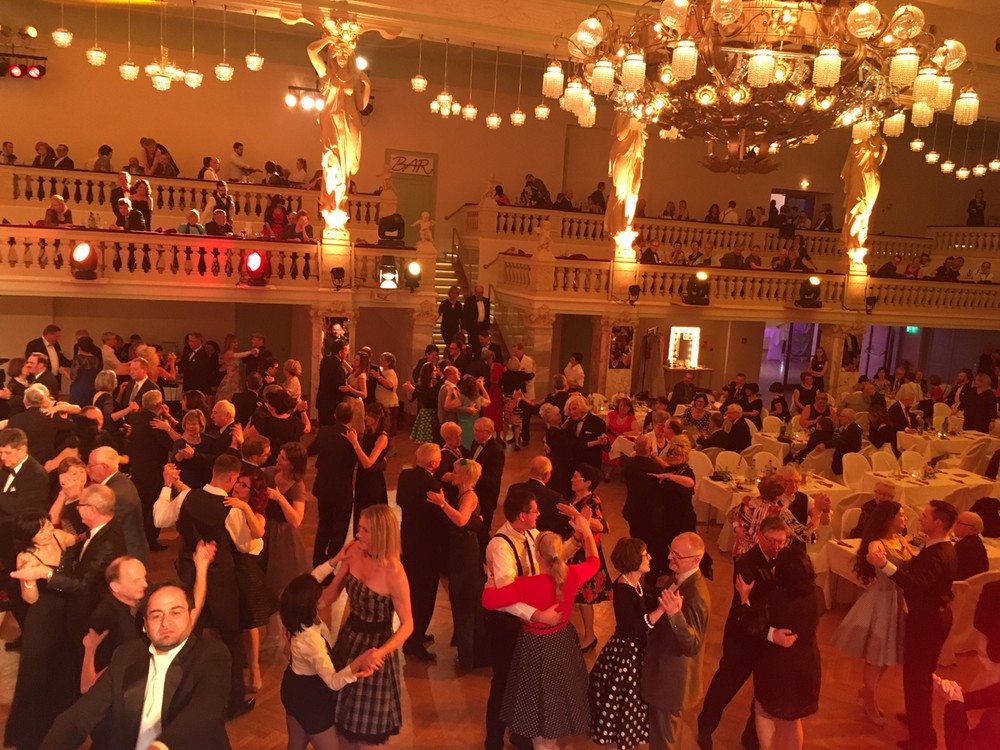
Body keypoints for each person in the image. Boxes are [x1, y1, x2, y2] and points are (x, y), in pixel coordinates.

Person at [40, 580, 232, 750]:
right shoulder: (127, 655)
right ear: (145, 625)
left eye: (175, 613)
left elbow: (204, 711)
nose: (166, 622)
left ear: (191, 616)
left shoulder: (211, 653)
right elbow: (81, 715)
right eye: (156, 615)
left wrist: (159, 747)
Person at [481, 507, 599, 749]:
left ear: (537, 556)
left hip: (534, 644)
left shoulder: (527, 585)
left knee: (535, 701)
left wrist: (490, 583)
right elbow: (594, 562)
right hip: (562, 641)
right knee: (556, 695)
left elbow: (488, 601)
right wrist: (586, 533)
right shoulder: (571, 575)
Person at [311, 504, 413, 746]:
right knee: (340, 718)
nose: (358, 535)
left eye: (365, 530)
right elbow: (331, 593)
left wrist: (380, 653)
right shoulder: (355, 551)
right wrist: (305, 610)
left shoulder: (395, 573)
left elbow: (408, 624)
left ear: (381, 533)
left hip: (375, 649)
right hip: (350, 638)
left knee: (366, 731)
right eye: (359, 528)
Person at [867, 500, 959, 749]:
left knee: (916, 677)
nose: (920, 518)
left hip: (928, 622)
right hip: (936, 618)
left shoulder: (938, 554)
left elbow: (916, 585)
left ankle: (923, 739)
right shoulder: (941, 548)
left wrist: (885, 565)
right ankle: (917, 717)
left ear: (938, 523)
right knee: (922, 675)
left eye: (925, 516)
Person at [698, 516, 790, 750]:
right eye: (771, 540)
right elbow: (753, 604)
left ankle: (751, 737)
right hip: (742, 635)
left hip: (769, 637)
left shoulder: (785, 560)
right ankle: (705, 727)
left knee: (762, 692)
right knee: (725, 684)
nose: (776, 546)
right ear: (759, 535)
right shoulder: (746, 563)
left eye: (781, 541)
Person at [4, 509, 80, 750]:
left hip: (69, 610)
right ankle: (31, 736)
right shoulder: (26, 557)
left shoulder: (59, 536)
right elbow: (31, 599)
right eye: (41, 530)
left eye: (47, 525)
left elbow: (78, 539)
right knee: (38, 674)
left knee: (65, 667)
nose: (48, 531)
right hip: (43, 617)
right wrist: (28, 579)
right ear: (28, 537)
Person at [831, 500, 913, 725]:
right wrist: (875, 557)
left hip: (898, 600)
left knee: (888, 655)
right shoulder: (877, 543)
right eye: (901, 515)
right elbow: (873, 556)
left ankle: (868, 690)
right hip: (882, 601)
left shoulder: (901, 540)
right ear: (889, 518)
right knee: (876, 656)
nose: (905, 518)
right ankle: (869, 699)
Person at [279, 574, 379, 750]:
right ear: (310, 604)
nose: (322, 597)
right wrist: (358, 663)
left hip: (293, 687)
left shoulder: (297, 620)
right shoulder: (311, 641)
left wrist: (334, 562)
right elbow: (333, 682)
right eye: (318, 596)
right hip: (309, 698)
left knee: (296, 745)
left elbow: (316, 574)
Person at [741, 546, 822, 750]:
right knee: (792, 721)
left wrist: (744, 599)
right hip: (806, 665)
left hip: (776, 667)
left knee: (763, 713)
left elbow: (752, 626)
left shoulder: (773, 599)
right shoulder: (817, 595)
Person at [642, 532, 711, 750]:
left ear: (696, 560)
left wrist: (675, 615)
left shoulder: (696, 596)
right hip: (661, 671)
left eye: (677, 555)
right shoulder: (678, 576)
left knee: (665, 741)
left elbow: (693, 645)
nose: (669, 557)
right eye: (670, 550)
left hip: (671, 681)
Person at [588, 537, 658, 749]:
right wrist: (662, 610)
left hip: (636, 650)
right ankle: (620, 739)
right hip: (626, 655)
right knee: (624, 700)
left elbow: (647, 598)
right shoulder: (622, 589)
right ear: (633, 560)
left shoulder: (636, 582)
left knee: (631, 700)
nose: (650, 557)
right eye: (645, 555)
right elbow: (632, 628)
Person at [427, 457, 486, 670]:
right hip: (461, 552)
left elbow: (461, 520)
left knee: (464, 600)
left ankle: (469, 655)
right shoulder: (462, 494)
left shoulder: (469, 496)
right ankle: (467, 649)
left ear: (465, 476)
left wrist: (442, 504)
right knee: (461, 599)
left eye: (455, 471)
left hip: (466, 555)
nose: (451, 474)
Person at [395, 442, 445, 660]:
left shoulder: (405, 476)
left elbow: (399, 501)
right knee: (424, 596)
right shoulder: (432, 485)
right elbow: (440, 518)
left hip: (408, 541)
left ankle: (414, 634)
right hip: (428, 547)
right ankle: (414, 642)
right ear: (433, 463)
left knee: (412, 592)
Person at [309, 402, 358, 567]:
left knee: (324, 526)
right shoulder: (353, 439)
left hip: (323, 486)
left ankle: (317, 562)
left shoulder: (324, 432)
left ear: (335, 416)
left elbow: (310, 450)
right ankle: (330, 565)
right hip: (342, 490)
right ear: (352, 418)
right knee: (339, 530)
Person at [346, 402, 390, 530]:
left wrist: (355, 443)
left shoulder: (382, 438)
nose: (365, 418)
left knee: (372, 517)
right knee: (361, 512)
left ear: (377, 417)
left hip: (373, 482)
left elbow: (368, 463)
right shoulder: (368, 432)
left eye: (368, 415)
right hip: (362, 479)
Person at [953, 510, 989, 581]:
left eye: (959, 523)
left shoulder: (964, 546)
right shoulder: (976, 541)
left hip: (963, 585)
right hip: (975, 584)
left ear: (970, 528)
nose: (955, 525)